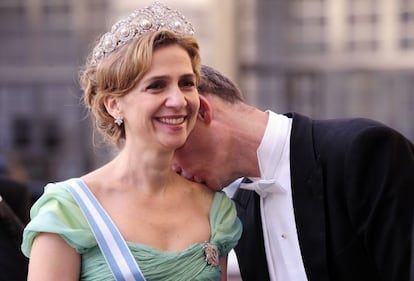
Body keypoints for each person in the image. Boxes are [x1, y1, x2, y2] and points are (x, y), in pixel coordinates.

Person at [21, 3, 241, 281]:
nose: (178, 100)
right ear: (114, 105)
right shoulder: (68, 212)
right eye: (156, 85)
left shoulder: (214, 210)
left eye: (186, 83)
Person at [174, 65, 414, 281]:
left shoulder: (364, 151)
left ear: (202, 111)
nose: (173, 170)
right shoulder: (239, 215)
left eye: (169, 150)